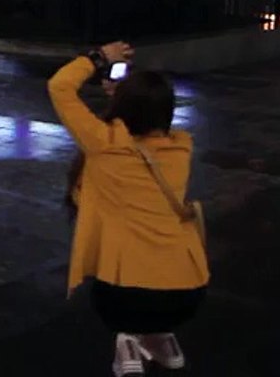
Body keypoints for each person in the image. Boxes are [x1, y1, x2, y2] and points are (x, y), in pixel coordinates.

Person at [49, 42, 209, 377]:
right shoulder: (181, 149)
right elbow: (143, 136)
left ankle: (127, 343)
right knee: (157, 292)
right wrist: (126, 102)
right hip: (188, 295)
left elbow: (59, 86)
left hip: (125, 299)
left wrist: (100, 57)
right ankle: (162, 340)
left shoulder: (103, 144)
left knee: (113, 299)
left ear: (124, 107)